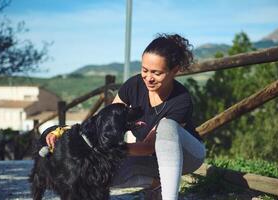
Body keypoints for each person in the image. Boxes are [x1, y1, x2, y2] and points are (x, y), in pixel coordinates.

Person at [46, 33, 206, 200]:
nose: (148, 78)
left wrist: (106, 149)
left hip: (187, 156)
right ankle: (155, 184)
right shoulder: (135, 84)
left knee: (166, 127)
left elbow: (149, 147)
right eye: (144, 70)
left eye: (156, 73)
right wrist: (67, 133)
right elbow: (106, 121)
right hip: (148, 158)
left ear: (175, 71)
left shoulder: (181, 99)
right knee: (97, 172)